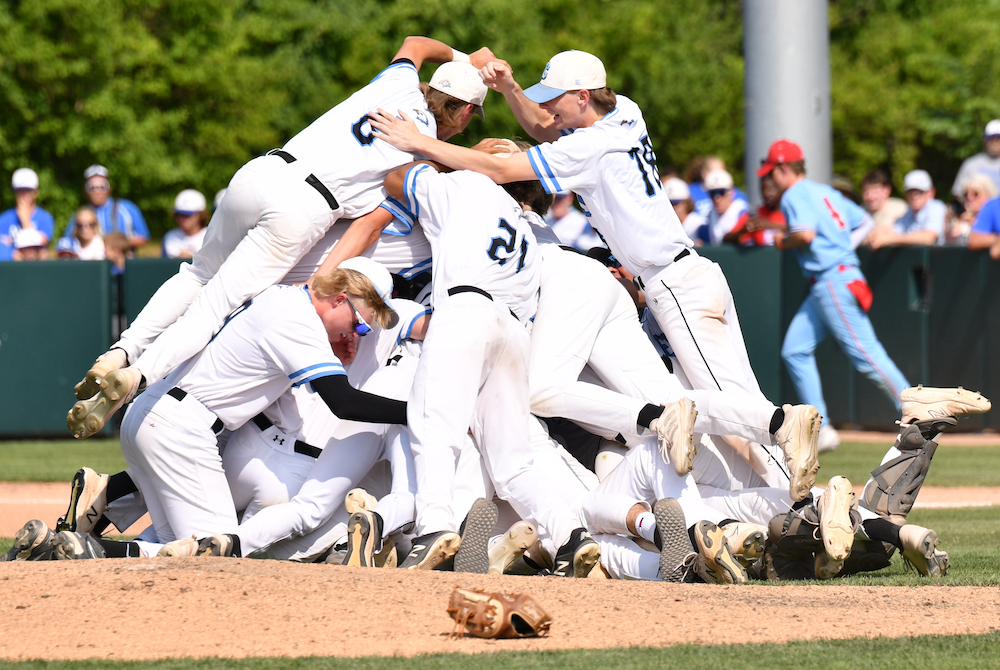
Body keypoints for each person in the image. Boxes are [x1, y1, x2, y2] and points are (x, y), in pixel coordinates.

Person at [68, 36, 495, 439]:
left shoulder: (397, 83)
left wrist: (465, 59)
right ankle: (135, 377)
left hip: (263, 170)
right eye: (470, 116)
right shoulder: (427, 152)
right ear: (462, 113)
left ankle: (120, 353)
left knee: (196, 275)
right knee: (216, 305)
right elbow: (370, 224)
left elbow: (416, 44)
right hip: (306, 205)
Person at [370, 50, 782, 422]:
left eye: (555, 96)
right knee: (735, 400)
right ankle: (794, 496)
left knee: (732, 405)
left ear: (583, 96)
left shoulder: (588, 147)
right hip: (687, 273)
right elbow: (545, 128)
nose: (548, 105)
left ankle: (801, 495)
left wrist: (419, 143)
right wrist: (511, 89)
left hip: (673, 285)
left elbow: (498, 169)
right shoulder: (625, 111)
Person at [382, 160, 601, 577]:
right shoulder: (529, 235)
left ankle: (434, 528)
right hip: (513, 330)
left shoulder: (472, 185)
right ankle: (570, 533)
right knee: (515, 464)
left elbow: (394, 177)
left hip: (465, 310)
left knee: (434, 428)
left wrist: (452, 156)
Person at [763, 139, 910, 453]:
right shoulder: (826, 192)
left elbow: (805, 234)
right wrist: (843, 249)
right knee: (794, 350)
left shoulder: (794, 194)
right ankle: (822, 428)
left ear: (783, 169)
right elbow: (864, 223)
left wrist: (781, 240)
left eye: (771, 172)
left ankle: (914, 410)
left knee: (865, 352)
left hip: (832, 279)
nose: (770, 180)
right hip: (834, 277)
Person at [63, 165, 149, 249]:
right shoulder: (81, 215)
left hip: (122, 262)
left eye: (102, 187)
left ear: (109, 187)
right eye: (91, 187)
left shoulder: (127, 208)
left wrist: (118, 243)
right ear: (85, 190)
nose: (97, 191)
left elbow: (143, 237)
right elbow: (67, 242)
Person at [866, 170, 945, 248]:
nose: (914, 195)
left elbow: (928, 238)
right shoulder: (909, 212)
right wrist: (877, 235)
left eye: (920, 191)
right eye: (910, 191)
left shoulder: (936, 207)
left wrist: (889, 239)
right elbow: (894, 230)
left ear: (930, 192)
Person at [0, 169, 55, 261]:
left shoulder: (45, 218)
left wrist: (25, 220)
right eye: (19, 190)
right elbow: (2, 248)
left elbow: (38, 248)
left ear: (36, 192)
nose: (23, 195)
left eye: (27, 190)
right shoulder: (4, 218)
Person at [951, 119, 1000, 198]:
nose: (995, 142)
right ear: (984, 140)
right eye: (991, 138)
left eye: (998, 138)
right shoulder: (971, 164)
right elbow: (958, 193)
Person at [702, 169, 751, 246]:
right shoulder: (707, 219)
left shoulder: (742, 213)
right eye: (712, 193)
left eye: (721, 192)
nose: (717, 198)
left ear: (731, 192)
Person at [947, 174, 998, 246]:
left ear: (989, 194)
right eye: (966, 194)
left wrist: (974, 225)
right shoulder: (960, 218)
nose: (969, 198)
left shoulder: (995, 218)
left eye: (975, 193)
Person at [162, 189, 208, 259]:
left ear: (200, 215)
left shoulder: (210, 237)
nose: (182, 219)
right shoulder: (170, 237)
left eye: (187, 215)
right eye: (179, 215)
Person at [968, 191, 1000, 260]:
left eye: (976, 194)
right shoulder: (993, 205)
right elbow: (974, 240)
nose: (969, 197)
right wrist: (997, 239)